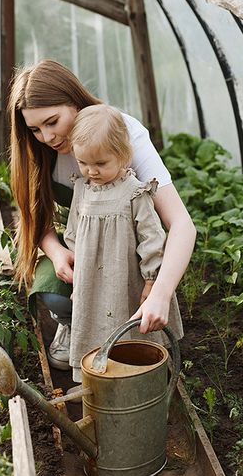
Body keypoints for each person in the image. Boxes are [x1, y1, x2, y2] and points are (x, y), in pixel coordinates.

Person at [8, 59, 195, 370]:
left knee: (128, 300)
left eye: (53, 121)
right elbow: (34, 217)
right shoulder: (38, 149)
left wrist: (159, 291)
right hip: (86, 248)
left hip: (127, 250)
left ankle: (138, 339)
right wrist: (56, 254)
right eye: (36, 129)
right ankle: (71, 324)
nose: (48, 137)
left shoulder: (122, 135)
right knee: (54, 296)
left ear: (75, 100)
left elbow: (182, 225)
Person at [64, 104, 184, 382]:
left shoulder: (134, 192)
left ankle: (138, 375)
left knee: (129, 326)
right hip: (93, 281)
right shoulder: (81, 190)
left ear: (123, 155)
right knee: (93, 325)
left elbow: (152, 238)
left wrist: (152, 281)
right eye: (83, 163)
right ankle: (98, 382)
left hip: (126, 278)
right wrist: (78, 278)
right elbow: (73, 234)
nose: (91, 171)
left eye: (100, 164)